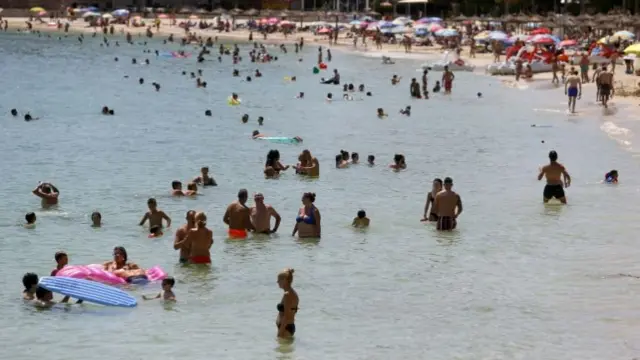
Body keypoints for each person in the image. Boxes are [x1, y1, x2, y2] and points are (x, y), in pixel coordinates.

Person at [276, 268, 299, 338]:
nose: (277, 282)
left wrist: (279, 334)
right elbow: (293, 310)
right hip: (286, 328)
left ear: (285, 280)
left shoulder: (288, 294)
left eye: (279, 280)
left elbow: (286, 317)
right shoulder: (291, 293)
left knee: (283, 348)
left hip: (285, 329)